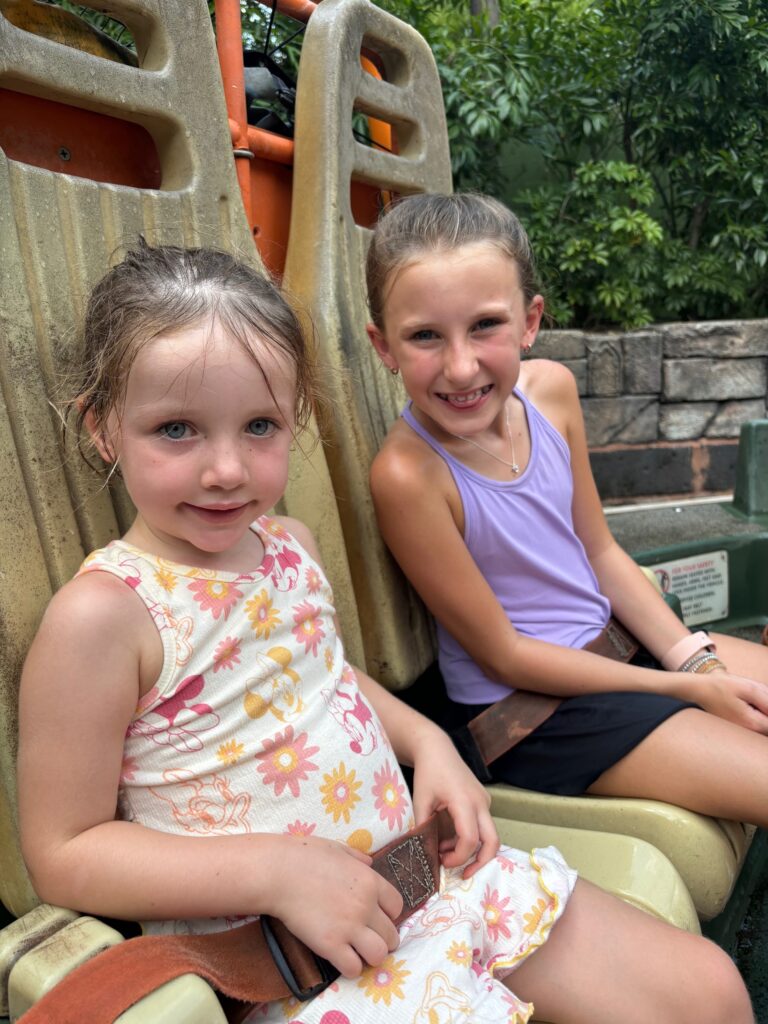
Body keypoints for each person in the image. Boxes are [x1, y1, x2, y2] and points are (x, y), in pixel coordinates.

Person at [18, 242, 751, 1024]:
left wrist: (428, 743)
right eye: (176, 431)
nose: (226, 469)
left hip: (423, 879)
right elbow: (63, 851)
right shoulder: (104, 616)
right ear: (102, 429)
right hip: (295, 952)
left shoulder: (287, 545)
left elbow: (325, 677)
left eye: (259, 426)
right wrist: (276, 872)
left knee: (709, 992)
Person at [367, 191, 768, 826]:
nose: (461, 365)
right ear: (383, 345)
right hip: (535, 710)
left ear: (529, 321)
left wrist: (697, 659)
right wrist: (689, 688)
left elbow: (601, 553)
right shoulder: (408, 476)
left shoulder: (550, 391)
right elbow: (504, 654)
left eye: (485, 326)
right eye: (424, 336)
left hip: (617, 649)